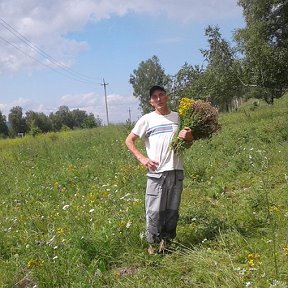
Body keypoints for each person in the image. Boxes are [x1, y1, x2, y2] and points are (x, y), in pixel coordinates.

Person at [125, 85, 193, 254]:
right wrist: (143, 159)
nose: (158, 99)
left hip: (176, 172)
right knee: (154, 212)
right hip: (157, 174)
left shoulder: (179, 117)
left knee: (172, 211)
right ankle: (153, 247)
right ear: (151, 102)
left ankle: (167, 245)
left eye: (161, 95)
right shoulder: (147, 120)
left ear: (167, 96)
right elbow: (129, 141)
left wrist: (189, 138)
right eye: (154, 97)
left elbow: (188, 143)